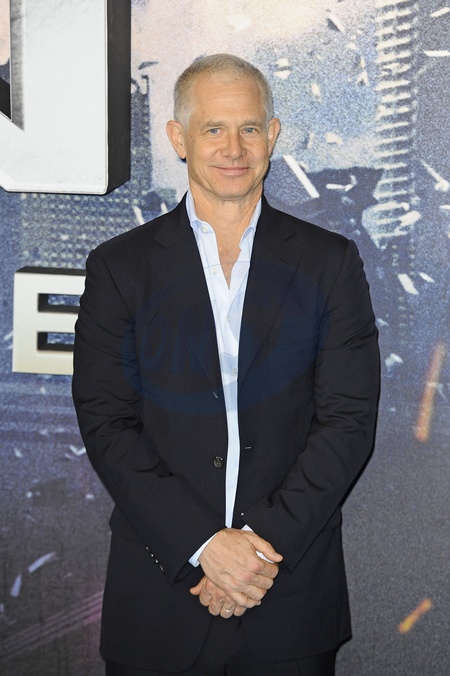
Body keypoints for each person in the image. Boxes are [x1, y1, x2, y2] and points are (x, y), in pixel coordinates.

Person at [72, 53, 379, 676]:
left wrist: (258, 554)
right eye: (213, 128)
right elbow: (107, 422)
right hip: (159, 599)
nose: (233, 148)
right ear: (179, 138)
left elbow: (348, 421)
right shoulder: (119, 267)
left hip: (289, 597)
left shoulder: (330, 262)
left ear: (273, 135)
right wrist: (203, 545)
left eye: (249, 128)